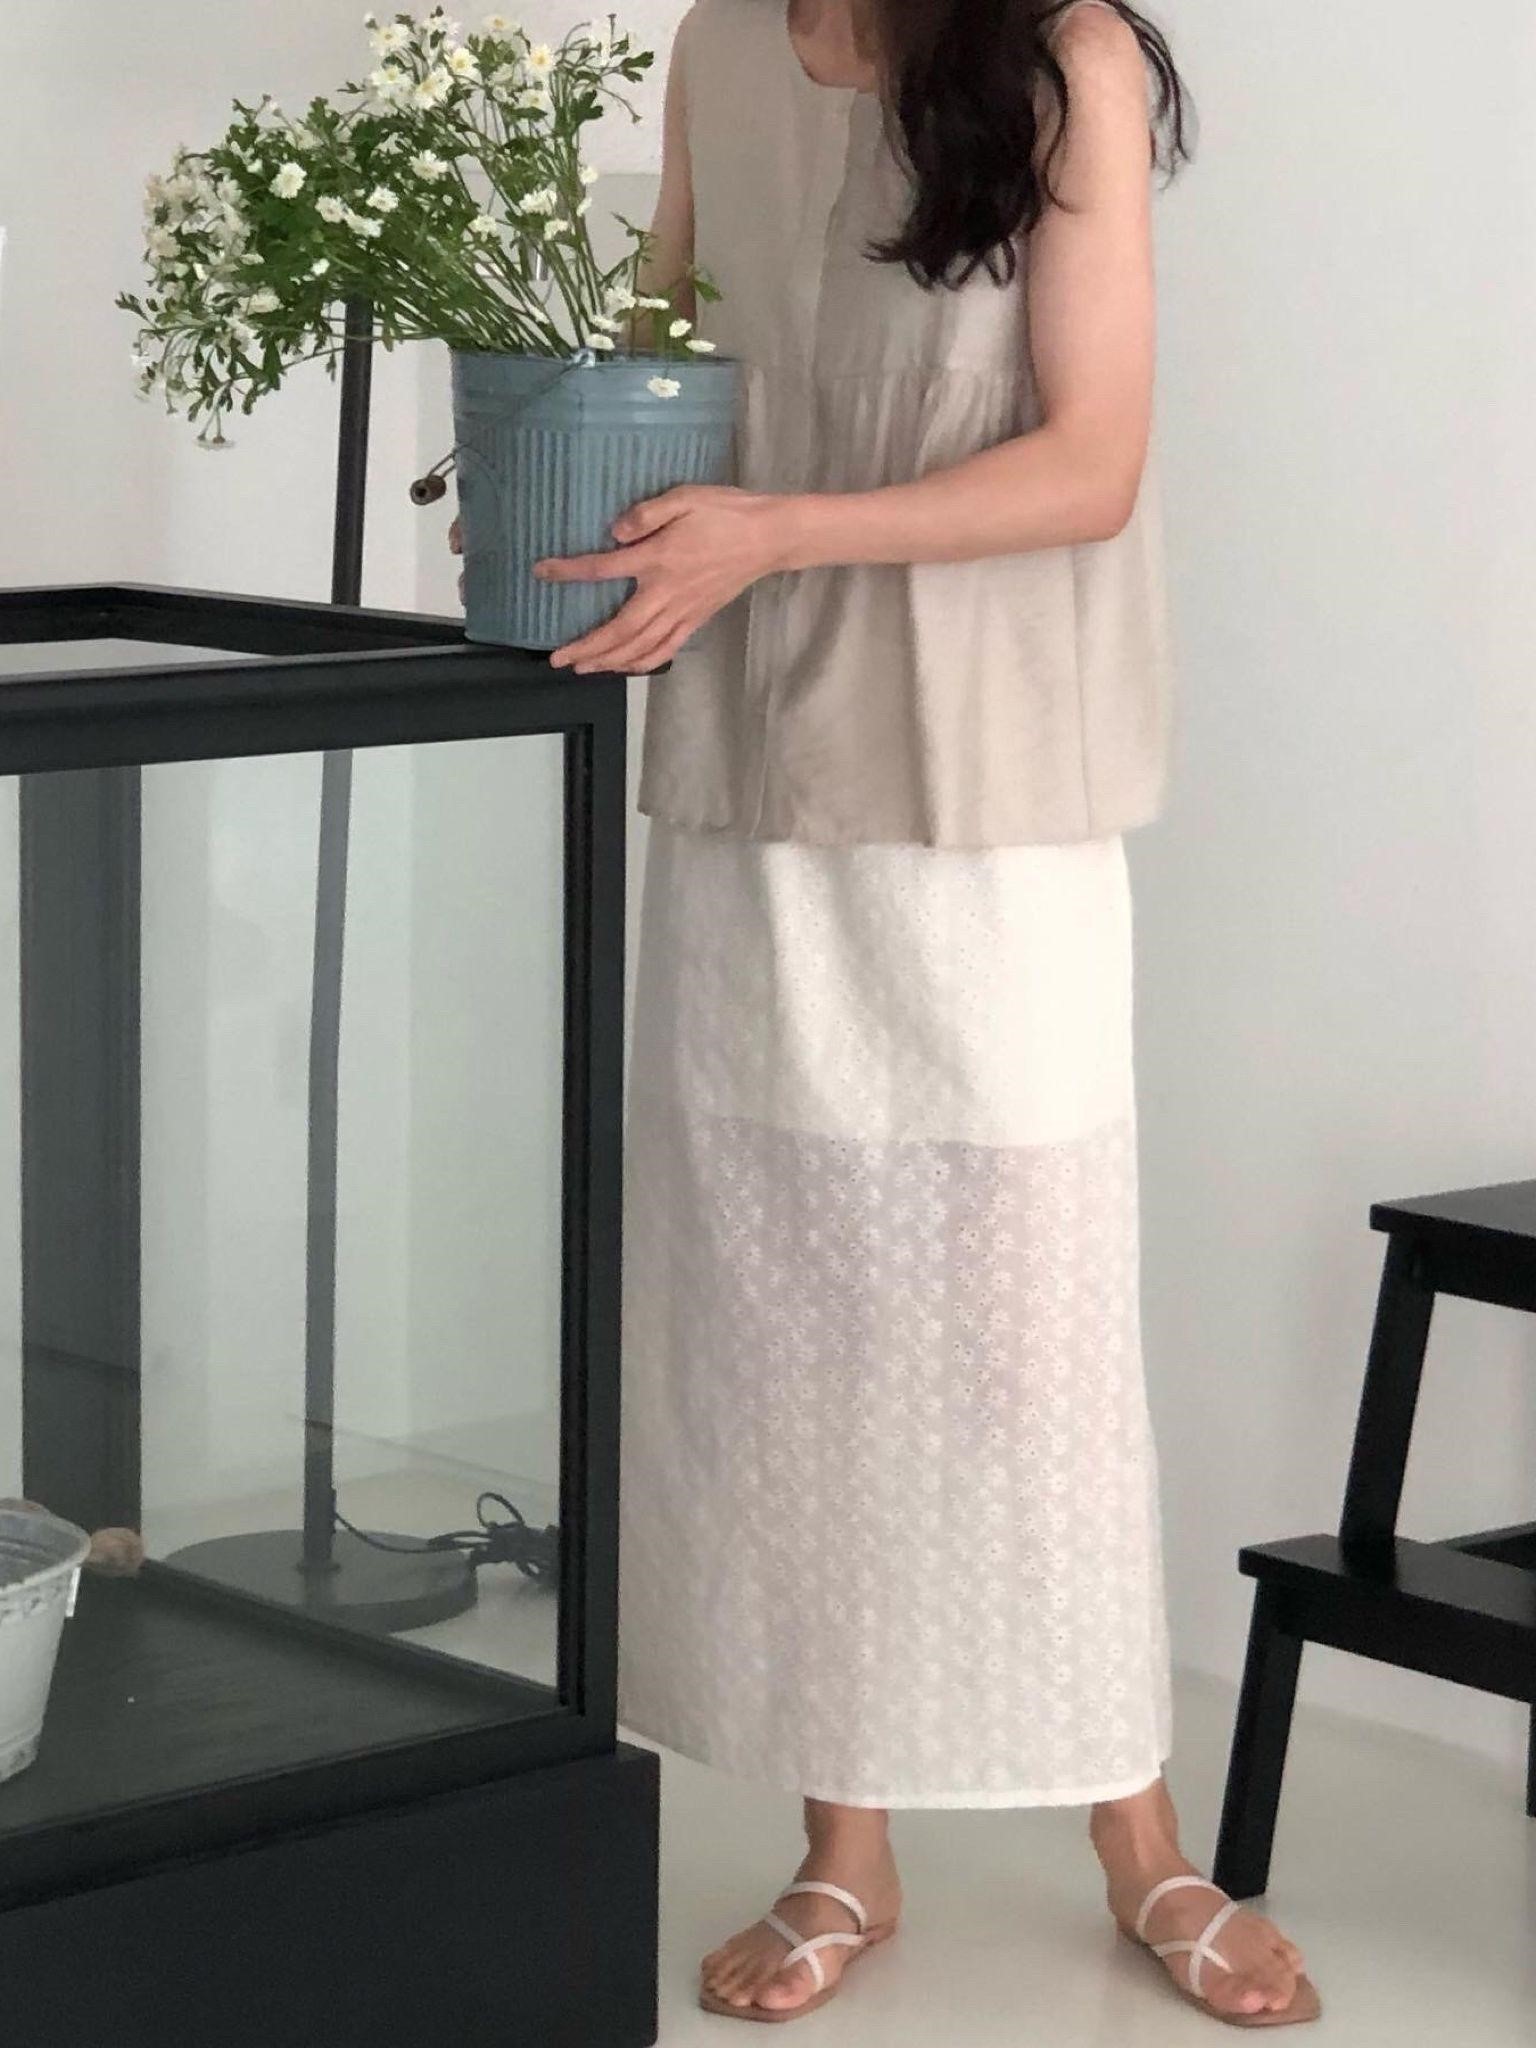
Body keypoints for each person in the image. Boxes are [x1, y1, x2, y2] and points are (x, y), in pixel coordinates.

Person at [455, 0, 1320, 2026]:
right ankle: (845, 1845)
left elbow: (1092, 467)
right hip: (753, 772)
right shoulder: (720, 45)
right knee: (783, 1315)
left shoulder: (1062, 52)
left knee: (1030, 1326)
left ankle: (1138, 1836)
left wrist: (772, 533)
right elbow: (661, 346)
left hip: (993, 776)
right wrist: (551, 470)